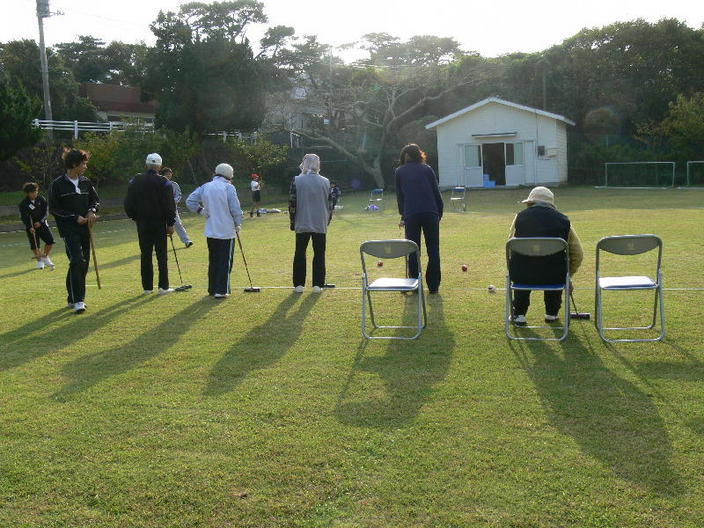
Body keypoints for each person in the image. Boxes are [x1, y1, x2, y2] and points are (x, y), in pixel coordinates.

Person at [508, 186, 584, 326]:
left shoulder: (519, 218)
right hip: (555, 276)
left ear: (530, 203)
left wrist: (513, 267)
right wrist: (568, 275)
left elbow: (510, 246)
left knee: (522, 265)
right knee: (554, 265)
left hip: (522, 275)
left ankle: (519, 314)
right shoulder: (564, 221)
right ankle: (552, 313)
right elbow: (577, 254)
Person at [49, 148, 100, 314]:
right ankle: (79, 301)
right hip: (69, 230)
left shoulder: (86, 182)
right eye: (83, 163)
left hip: (86, 229)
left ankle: (72, 297)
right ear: (74, 164)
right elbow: (54, 209)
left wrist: (92, 211)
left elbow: (95, 201)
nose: (85, 166)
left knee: (80, 264)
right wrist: (74, 217)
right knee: (78, 260)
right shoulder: (57, 185)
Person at [186, 163, 243, 298]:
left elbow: (190, 201)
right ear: (229, 175)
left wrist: (201, 211)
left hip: (211, 231)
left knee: (214, 260)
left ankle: (212, 289)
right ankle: (221, 290)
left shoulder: (205, 186)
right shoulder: (229, 187)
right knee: (225, 261)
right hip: (226, 231)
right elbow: (235, 209)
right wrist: (238, 224)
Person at [124, 153, 176, 295]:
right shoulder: (164, 182)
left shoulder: (135, 180)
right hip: (159, 223)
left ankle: (147, 288)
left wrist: (135, 217)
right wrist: (170, 224)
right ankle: (163, 287)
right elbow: (170, 206)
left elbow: (128, 203)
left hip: (142, 223)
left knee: (145, 255)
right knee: (161, 255)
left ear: (146, 165)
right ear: (159, 166)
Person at [395, 143, 444, 294]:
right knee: (433, 250)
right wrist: (439, 213)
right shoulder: (427, 169)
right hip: (431, 212)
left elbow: (400, 197)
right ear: (419, 155)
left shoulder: (399, 171)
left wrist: (403, 215)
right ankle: (434, 286)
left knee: (413, 250)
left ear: (404, 156)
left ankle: (415, 284)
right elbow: (436, 192)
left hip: (411, 214)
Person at [289, 153, 334, 293]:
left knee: (300, 253)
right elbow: (330, 204)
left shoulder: (296, 180)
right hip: (320, 222)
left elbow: (292, 203)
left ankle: (299, 284)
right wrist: (327, 221)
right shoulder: (326, 181)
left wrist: (292, 222)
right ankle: (318, 284)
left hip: (302, 222)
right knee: (319, 253)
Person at [19, 182, 55, 270]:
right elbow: (24, 217)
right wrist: (29, 226)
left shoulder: (41, 199)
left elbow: (46, 212)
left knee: (50, 241)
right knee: (35, 245)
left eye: (36, 191)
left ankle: (45, 257)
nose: (34, 193)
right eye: (32, 192)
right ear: (27, 193)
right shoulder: (23, 204)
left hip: (42, 224)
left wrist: (40, 222)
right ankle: (39, 261)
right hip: (31, 227)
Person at [160, 167, 193, 248]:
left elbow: (178, 195)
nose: (169, 175)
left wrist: (172, 202)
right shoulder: (159, 184)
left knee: (178, 224)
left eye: (170, 174)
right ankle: (159, 244)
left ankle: (187, 241)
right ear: (163, 175)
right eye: (167, 174)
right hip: (161, 209)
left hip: (172, 208)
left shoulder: (174, 184)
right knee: (160, 226)